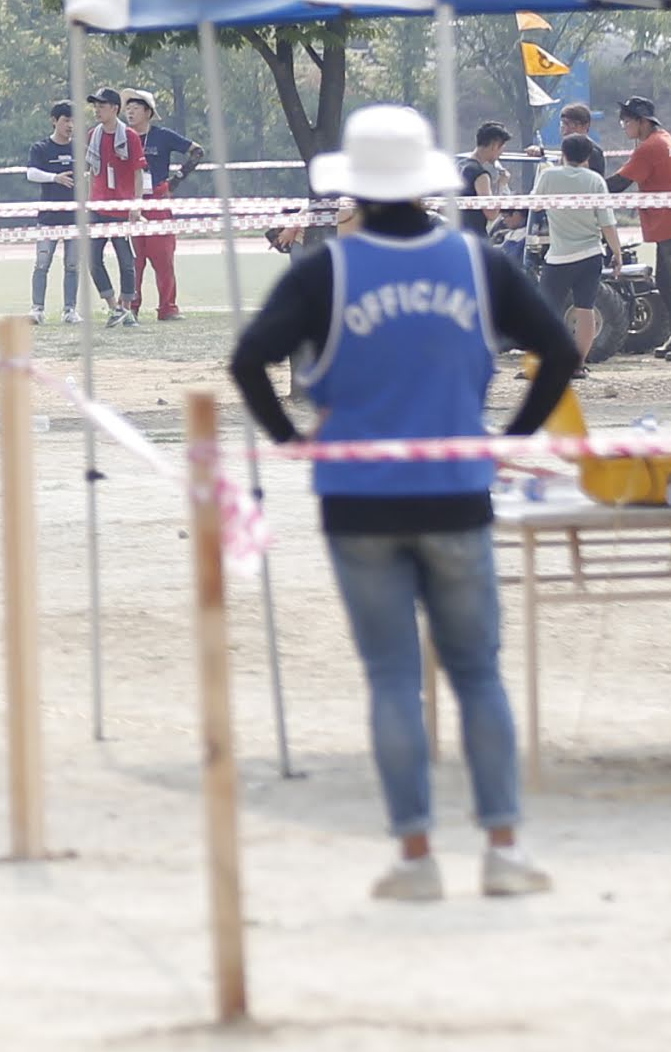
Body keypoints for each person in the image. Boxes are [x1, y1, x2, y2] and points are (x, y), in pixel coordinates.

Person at [224, 104, 579, 902]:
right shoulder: (477, 261)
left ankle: (416, 856)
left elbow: (248, 359)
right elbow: (557, 350)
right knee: (478, 675)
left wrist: (292, 438)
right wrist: (509, 440)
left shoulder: (326, 269)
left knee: (391, 679)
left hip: (357, 499)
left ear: (352, 187)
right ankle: (503, 848)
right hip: (457, 490)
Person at [618, 99, 671, 363]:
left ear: (643, 122)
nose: (624, 126)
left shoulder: (651, 147)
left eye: (627, 121)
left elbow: (620, 182)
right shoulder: (662, 139)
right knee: (667, 284)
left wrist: (590, 188)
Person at [527, 124, 616, 355]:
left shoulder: (549, 176)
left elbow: (534, 205)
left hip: (559, 257)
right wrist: (616, 252)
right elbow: (607, 222)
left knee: (545, 309)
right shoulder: (596, 181)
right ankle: (578, 364)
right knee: (585, 310)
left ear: (563, 154)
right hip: (590, 254)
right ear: (587, 156)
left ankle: (542, 360)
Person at [121, 87, 191, 321]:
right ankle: (131, 307)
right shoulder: (121, 136)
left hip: (158, 200)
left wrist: (176, 181)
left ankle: (168, 307)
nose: (130, 113)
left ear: (148, 112)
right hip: (131, 201)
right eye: (127, 109)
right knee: (133, 259)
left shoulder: (163, 136)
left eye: (135, 108)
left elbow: (196, 151)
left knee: (163, 256)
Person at [83, 87, 145, 322]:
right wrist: (89, 201)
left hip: (121, 207)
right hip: (98, 207)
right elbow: (91, 171)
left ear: (114, 109)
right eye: (95, 106)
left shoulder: (129, 137)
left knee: (126, 260)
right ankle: (113, 306)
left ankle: (126, 305)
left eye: (102, 106)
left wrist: (136, 204)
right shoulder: (92, 135)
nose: (97, 110)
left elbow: (139, 173)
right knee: (92, 258)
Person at [19, 103, 85, 319]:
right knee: (42, 263)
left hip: (74, 218)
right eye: (66, 120)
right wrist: (54, 178)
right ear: (54, 120)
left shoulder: (80, 149)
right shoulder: (41, 148)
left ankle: (70, 310)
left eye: (74, 121)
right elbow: (31, 173)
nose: (70, 125)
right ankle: (37, 309)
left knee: (73, 265)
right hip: (48, 218)